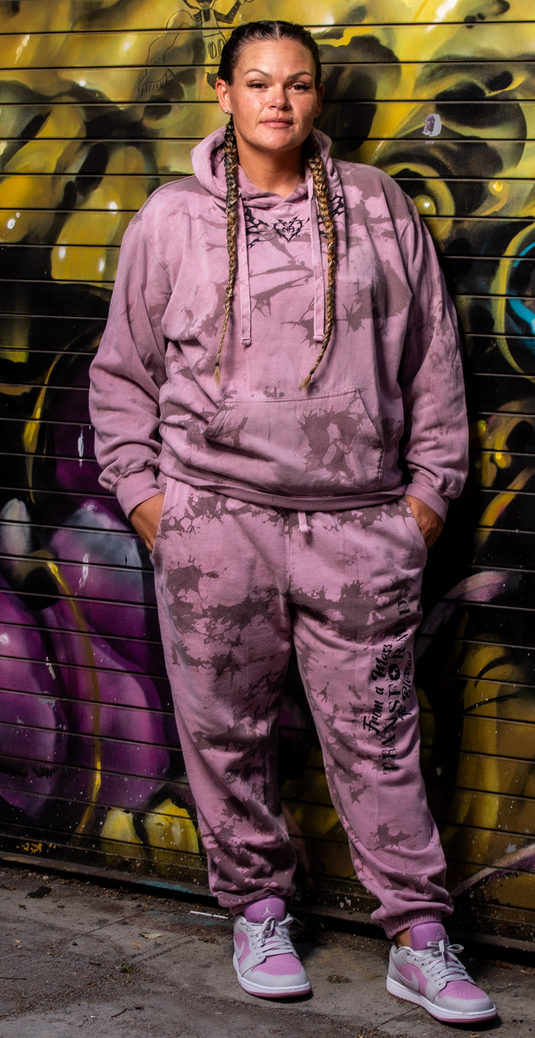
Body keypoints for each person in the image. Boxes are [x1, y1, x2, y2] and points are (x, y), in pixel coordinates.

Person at [89, 19, 496, 1024]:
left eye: (298, 84)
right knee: (224, 735)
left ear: (319, 99)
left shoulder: (375, 204)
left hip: (358, 527)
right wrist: (153, 508)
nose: (279, 100)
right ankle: (259, 907)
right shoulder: (172, 219)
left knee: (379, 737)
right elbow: (120, 375)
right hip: (212, 527)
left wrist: (424, 503)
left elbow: (433, 361)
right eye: (258, 82)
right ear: (221, 95)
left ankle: (417, 933)